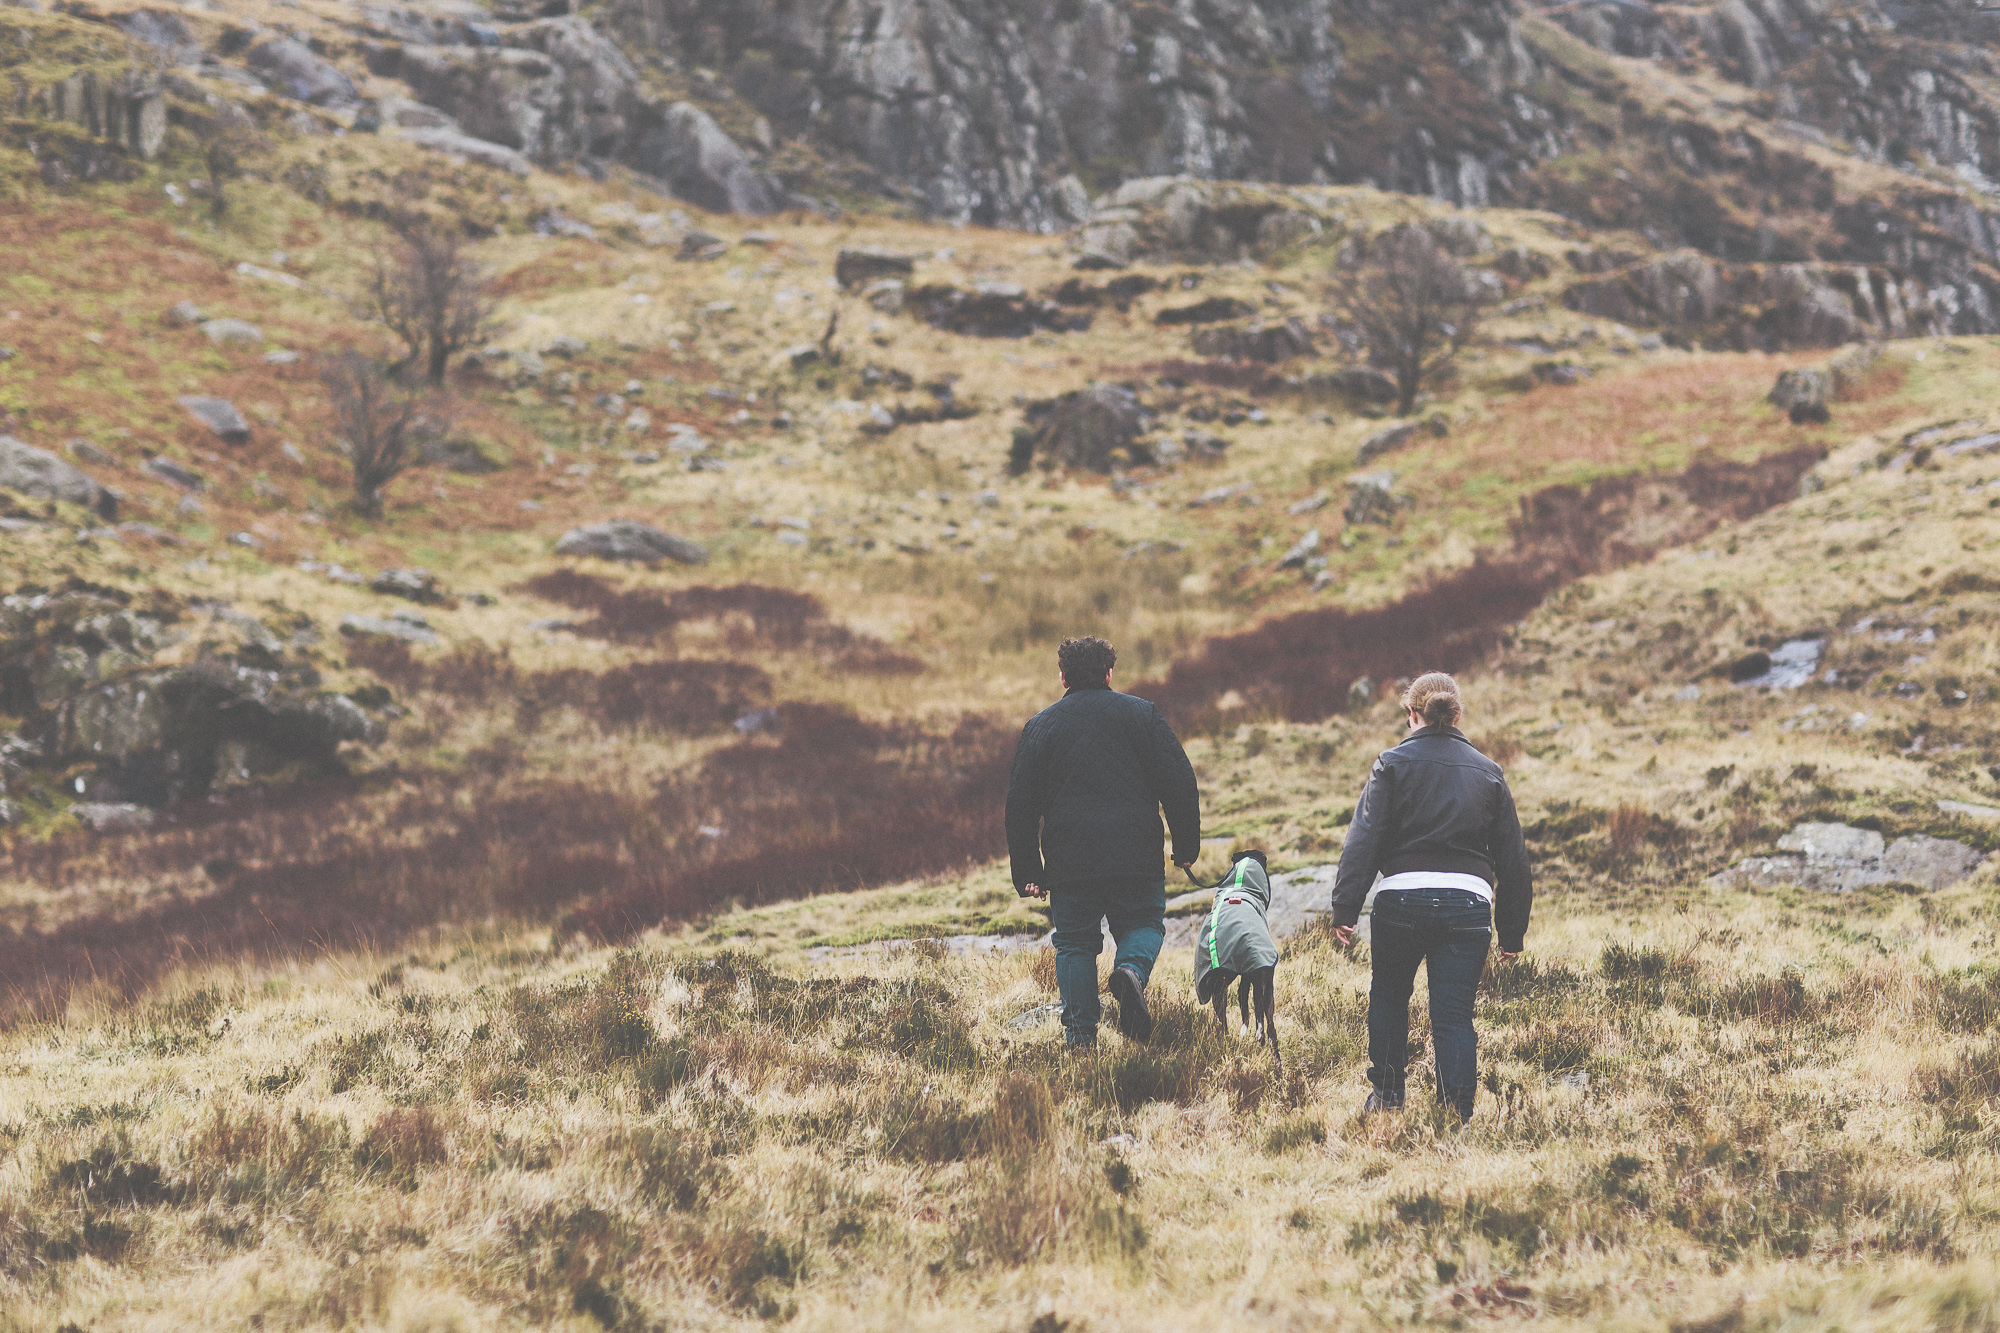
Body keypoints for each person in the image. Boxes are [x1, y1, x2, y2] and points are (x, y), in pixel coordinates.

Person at [1329, 672, 1531, 1122]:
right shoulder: (1489, 772)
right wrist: (1511, 932)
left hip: (1400, 902)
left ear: (1410, 714)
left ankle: (1386, 1098)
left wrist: (1346, 907)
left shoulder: (1391, 764)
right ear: (1458, 714)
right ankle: (1455, 1111)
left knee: (1388, 998)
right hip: (1468, 906)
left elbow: (1363, 839)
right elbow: (1513, 858)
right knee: (1454, 1015)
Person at [1006, 636, 1202, 1049]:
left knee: (1074, 944)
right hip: (1136, 856)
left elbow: (1020, 807)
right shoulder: (1143, 715)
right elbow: (1180, 782)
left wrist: (1028, 872)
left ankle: (1081, 1040)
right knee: (1144, 924)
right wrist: (1186, 848)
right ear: (1110, 674)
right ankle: (1130, 971)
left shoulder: (1040, 727)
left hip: (1069, 862)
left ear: (1062, 678)